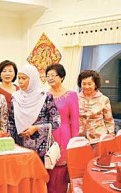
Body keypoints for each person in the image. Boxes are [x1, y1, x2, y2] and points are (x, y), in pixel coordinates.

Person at [8, 64, 60, 160]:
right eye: (19, 78)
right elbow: (11, 122)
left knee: (37, 175)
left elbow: (56, 123)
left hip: (40, 149)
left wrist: (37, 128)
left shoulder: (45, 96)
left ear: (33, 79)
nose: (20, 81)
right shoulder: (15, 97)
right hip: (19, 148)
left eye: (24, 78)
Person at [46, 64, 79, 193]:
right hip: (46, 134)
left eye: (53, 75)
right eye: (48, 76)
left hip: (64, 134)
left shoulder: (71, 95)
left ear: (62, 76)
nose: (50, 78)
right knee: (47, 166)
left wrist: (74, 143)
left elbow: (75, 121)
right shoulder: (43, 94)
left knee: (61, 169)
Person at [77, 70, 115, 141]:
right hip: (79, 138)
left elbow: (109, 121)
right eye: (84, 84)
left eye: (89, 84)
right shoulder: (75, 98)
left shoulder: (104, 99)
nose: (86, 86)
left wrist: (110, 135)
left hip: (98, 138)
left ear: (96, 84)